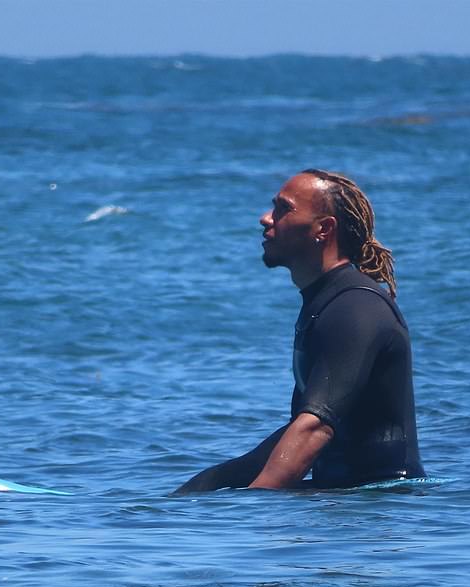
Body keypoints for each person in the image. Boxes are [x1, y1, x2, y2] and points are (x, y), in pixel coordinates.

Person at [175, 169, 425, 492]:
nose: (266, 219)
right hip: (346, 504)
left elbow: (314, 429)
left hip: (382, 517)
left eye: (283, 209)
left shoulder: (355, 310)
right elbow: (301, 429)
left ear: (323, 229)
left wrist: (250, 510)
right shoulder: (324, 304)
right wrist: (208, 485)